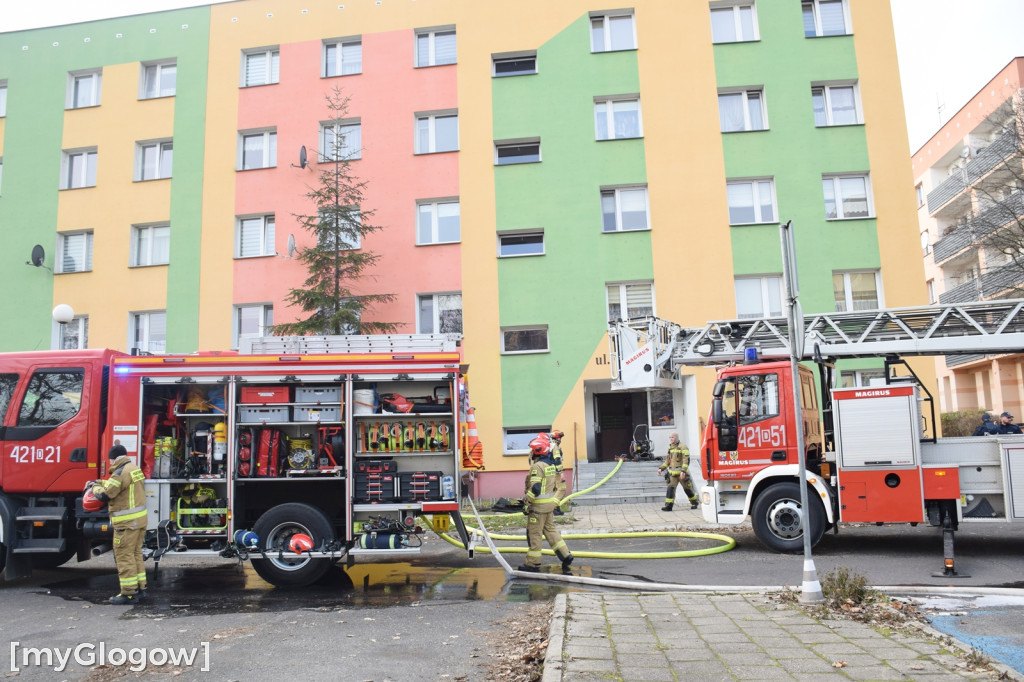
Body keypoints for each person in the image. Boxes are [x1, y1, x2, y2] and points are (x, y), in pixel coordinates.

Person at [91, 444, 148, 604]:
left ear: (113, 458)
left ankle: (129, 593)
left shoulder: (119, 473)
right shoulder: (133, 468)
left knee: (124, 556)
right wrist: (101, 482)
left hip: (126, 524)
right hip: (139, 522)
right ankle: (141, 588)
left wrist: (94, 487)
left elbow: (105, 495)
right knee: (135, 554)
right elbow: (119, 486)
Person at [518, 436, 574, 574]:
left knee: (535, 534)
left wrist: (526, 505)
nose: (530, 453)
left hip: (537, 508)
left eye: (531, 451)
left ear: (537, 452)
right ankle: (566, 555)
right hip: (548, 506)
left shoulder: (537, 466)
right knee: (551, 531)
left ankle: (532, 564)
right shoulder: (550, 466)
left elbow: (535, 488)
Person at [658, 432, 697, 511]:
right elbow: (668, 461)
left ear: (676, 438)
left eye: (672, 437)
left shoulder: (683, 447)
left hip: (682, 474)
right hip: (672, 474)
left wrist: (683, 471)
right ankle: (668, 506)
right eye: (670, 437)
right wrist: (661, 468)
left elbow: (686, 460)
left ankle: (694, 502)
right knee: (670, 489)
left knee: (688, 489)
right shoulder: (670, 448)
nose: (671, 439)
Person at [549, 429, 568, 513]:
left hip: (550, 472)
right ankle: (553, 508)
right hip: (556, 472)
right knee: (562, 488)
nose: (560, 439)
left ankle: (556, 508)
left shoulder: (549, 446)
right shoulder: (555, 447)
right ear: (555, 438)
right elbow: (557, 460)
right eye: (559, 438)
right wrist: (561, 473)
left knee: (555, 490)